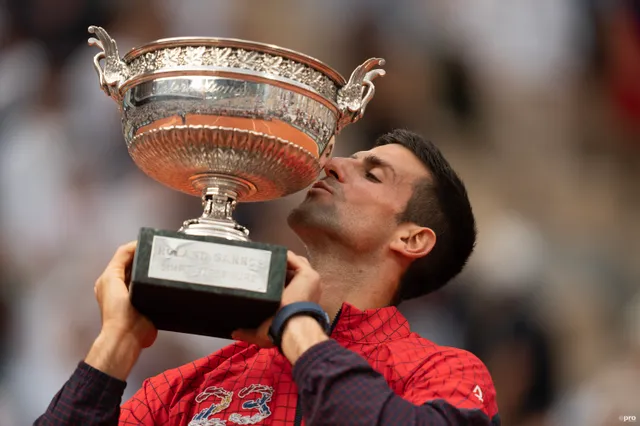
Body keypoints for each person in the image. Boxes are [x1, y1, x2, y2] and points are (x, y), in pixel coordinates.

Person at [34, 129, 500, 426]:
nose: (333, 164)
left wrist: (298, 327)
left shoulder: (444, 373)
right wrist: (115, 343)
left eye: (372, 174)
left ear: (413, 239)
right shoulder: (195, 383)